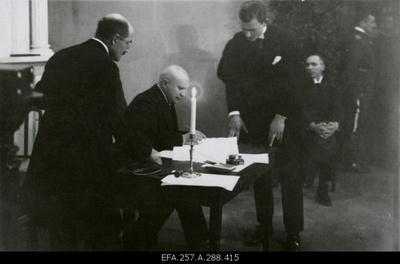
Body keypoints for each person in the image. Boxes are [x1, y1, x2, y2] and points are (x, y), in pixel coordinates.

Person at [21, 14, 153, 251]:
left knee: (61, 233)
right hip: (87, 168)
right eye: (128, 43)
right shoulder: (106, 67)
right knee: (105, 229)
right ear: (116, 38)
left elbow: (40, 99)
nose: (128, 49)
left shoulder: (62, 56)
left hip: (51, 166)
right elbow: (120, 121)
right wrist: (147, 150)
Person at [217, 1, 304, 251]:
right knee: (261, 176)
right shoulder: (237, 42)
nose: (247, 34)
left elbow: (295, 82)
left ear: (264, 23)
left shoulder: (286, 39)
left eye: (252, 30)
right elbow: (226, 74)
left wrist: (281, 116)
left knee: (290, 176)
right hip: (254, 120)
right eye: (243, 28)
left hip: (285, 119)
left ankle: (293, 232)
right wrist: (234, 111)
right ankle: (263, 226)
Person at [122, 65, 209, 250]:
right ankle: (200, 245)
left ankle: (199, 244)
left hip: (153, 166)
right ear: (164, 83)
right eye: (180, 88)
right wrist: (181, 138)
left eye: (185, 89)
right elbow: (139, 138)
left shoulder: (163, 99)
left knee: (184, 192)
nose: (183, 94)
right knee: (180, 193)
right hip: (135, 168)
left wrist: (186, 134)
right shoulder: (146, 101)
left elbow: (160, 133)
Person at [339, 11, 377, 174]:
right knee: (354, 125)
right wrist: (355, 92)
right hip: (358, 92)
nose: (374, 25)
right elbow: (351, 69)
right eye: (372, 22)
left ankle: (350, 158)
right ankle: (351, 160)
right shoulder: (358, 41)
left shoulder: (360, 39)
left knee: (354, 124)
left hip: (359, 90)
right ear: (363, 22)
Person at [302, 54, 343, 206]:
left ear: (323, 67)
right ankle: (321, 188)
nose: (310, 68)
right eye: (307, 65)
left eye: (313, 64)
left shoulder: (333, 85)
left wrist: (335, 125)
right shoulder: (301, 84)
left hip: (326, 127)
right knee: (325, 144)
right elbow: (300, 110)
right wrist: (312, 125)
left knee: (326, 140)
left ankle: (321, 187)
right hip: (306, 127)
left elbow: (338, 108)